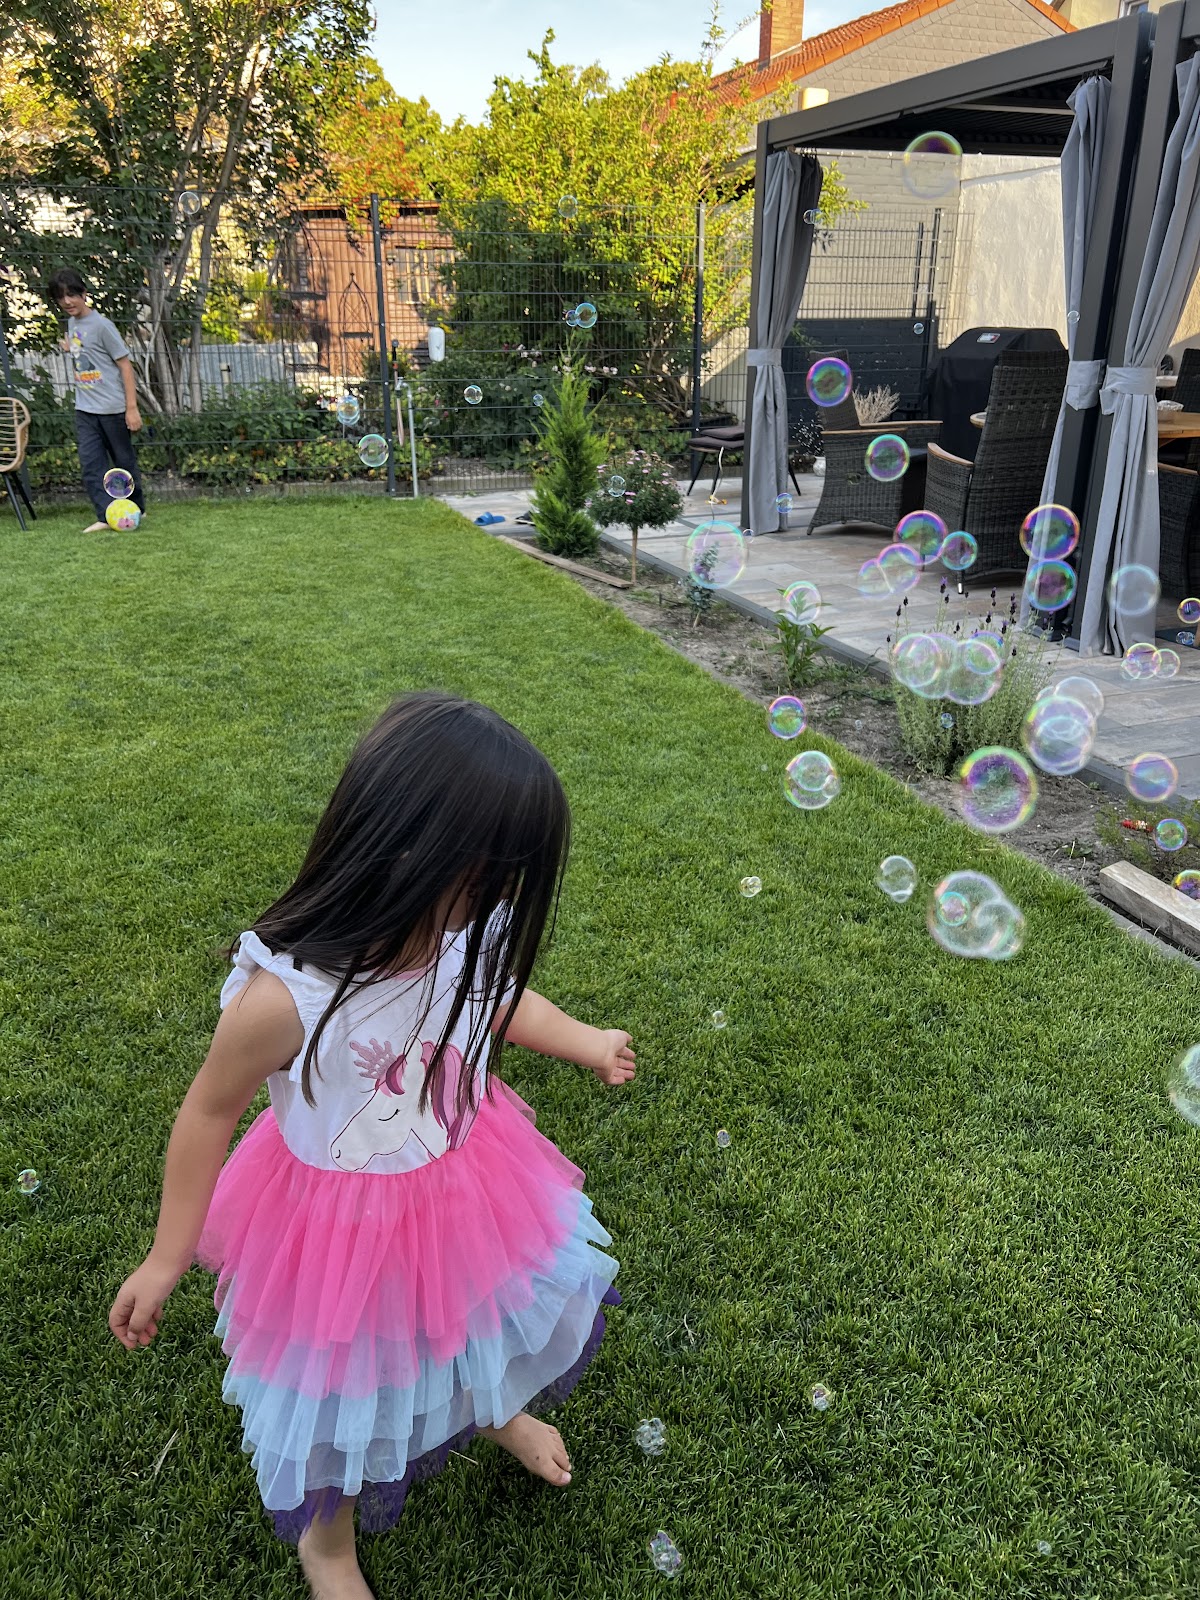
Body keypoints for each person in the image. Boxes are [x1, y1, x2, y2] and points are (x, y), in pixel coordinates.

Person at [108, 692, 634, 1600]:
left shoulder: (464, 933)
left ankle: (490, 1408)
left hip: (464, 1181)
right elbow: (207, 1113)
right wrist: (166, 1255)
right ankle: (328, 1546)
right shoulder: (289, 997)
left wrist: (584, 1039)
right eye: (490, 880)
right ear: (410, 852)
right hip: (336, 1230)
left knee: (472, 1313)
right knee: (338, 1401)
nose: (498, 904)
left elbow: (495, 1003)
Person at [47, 267, 146, 534]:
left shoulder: (103, 326)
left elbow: (125, 366)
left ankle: (136, 509)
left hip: (112, 409)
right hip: (85, 409)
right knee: (91, 464)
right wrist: (69, 348)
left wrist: (132, 408)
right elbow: (85, 354)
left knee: (123, 462)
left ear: (84, 294)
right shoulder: (72, 324)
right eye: (61, 297)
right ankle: (105, 516)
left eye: (72, 295)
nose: (67, 301)